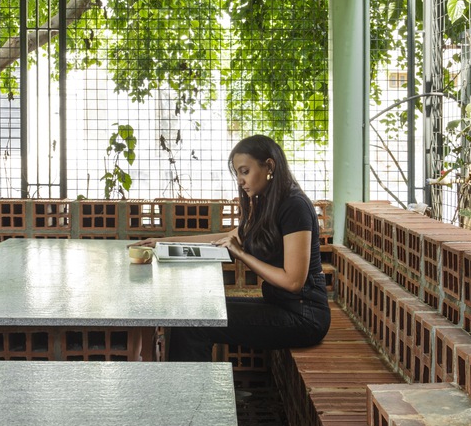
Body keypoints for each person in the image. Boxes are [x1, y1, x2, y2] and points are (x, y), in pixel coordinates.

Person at [138, 135, 331, 361]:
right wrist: (163, 242)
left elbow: (293, 282)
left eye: (245, 171)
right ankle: (187, 383)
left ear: (269, 166)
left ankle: (191, 386)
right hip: (279, 305)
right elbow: (226, 238)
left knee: (195, 324)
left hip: (304, 316)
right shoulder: (267, 203)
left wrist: (241, 254)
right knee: (189, 311)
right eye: (238, 173)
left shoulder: (294, 206)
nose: (240, 180)